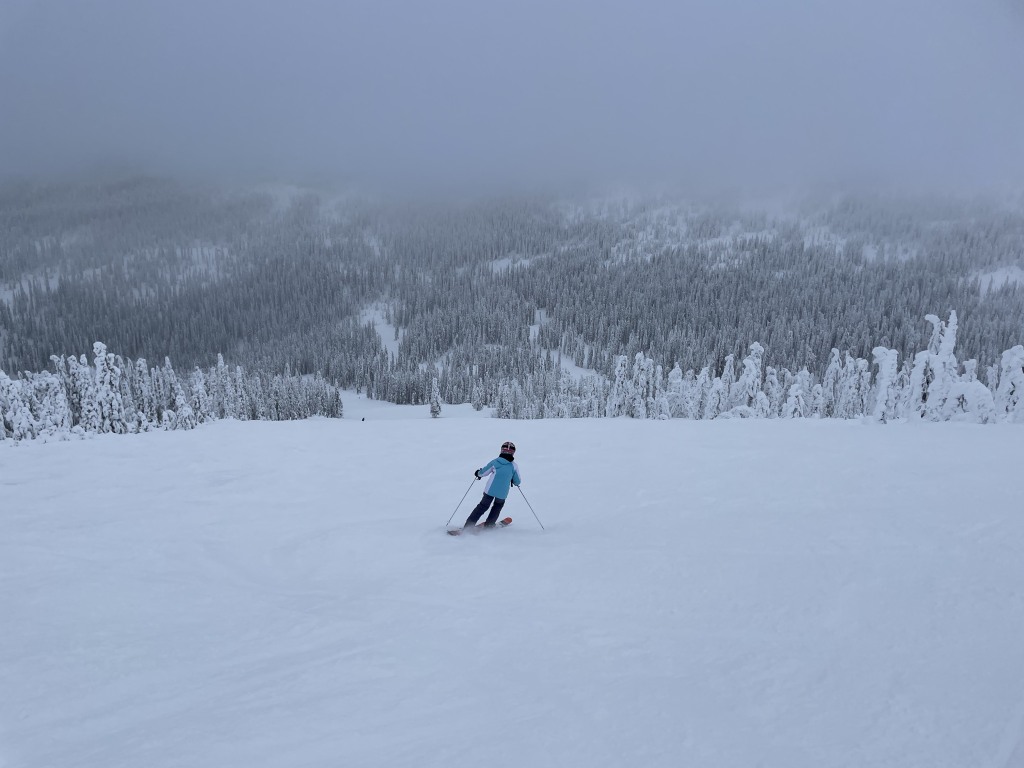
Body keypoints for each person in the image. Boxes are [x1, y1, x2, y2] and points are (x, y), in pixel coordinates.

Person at [464, 441, 521, 529]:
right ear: (513, 453)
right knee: (497, 507)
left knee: (482, 506)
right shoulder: (514, 466)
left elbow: (483, 472)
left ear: (502, 451)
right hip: (502, 493)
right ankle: (489, 525)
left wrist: (478, 473)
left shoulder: (495, 462)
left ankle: (468, 526)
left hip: (490, 491)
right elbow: (517, 482)